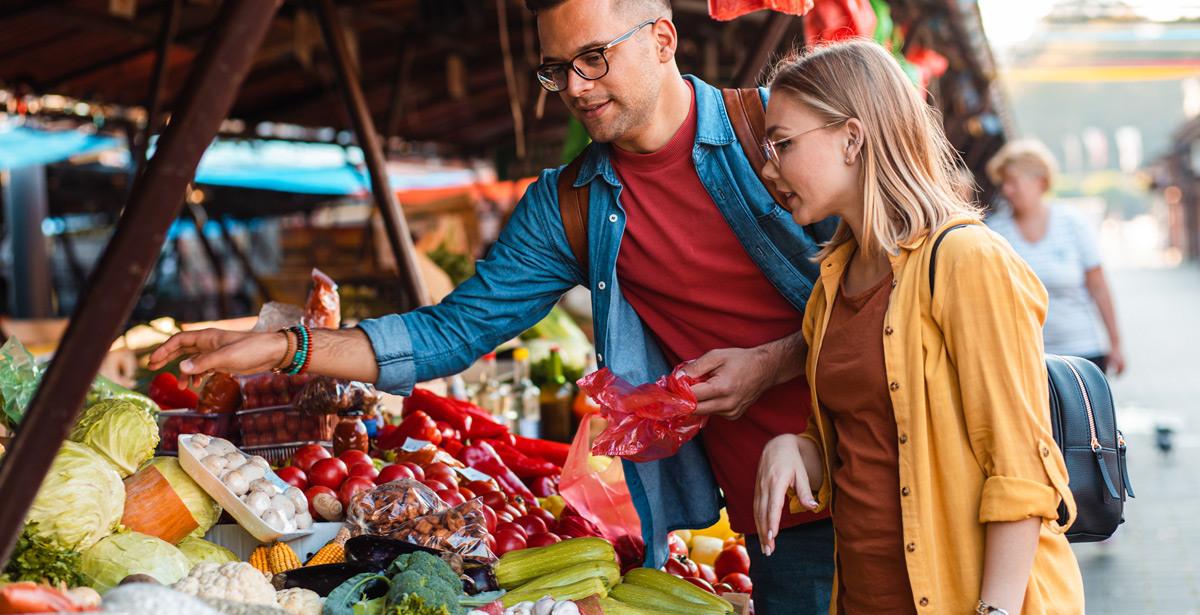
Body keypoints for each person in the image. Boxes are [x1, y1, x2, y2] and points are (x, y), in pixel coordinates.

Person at [149, 0, 834, 611]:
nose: (574, 87)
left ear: (662, 38)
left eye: (594, 58)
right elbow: (455, 329)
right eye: (557, 68)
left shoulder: (774, 130)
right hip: (775, 515)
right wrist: (285, 344)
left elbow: (898, 284)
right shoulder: (569, 204)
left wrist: (771, 363)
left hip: (880, 467)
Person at [752, 40, 1084, 614]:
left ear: (852, 138)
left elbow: (1021, 471)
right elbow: (862, 444)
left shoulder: (967, 261)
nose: (767, 166)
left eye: (782, 143)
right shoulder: (831, 284)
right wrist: (794, 447)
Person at [985, 139, 1125, 375]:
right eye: (1003, 183)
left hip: (1082, 353)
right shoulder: (996, 231)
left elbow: (1099, 286)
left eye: (1013, 182)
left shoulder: (1072, 223)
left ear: (1040, 182)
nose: (1007, 190)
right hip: (1025, 357)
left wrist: (1116, 343)